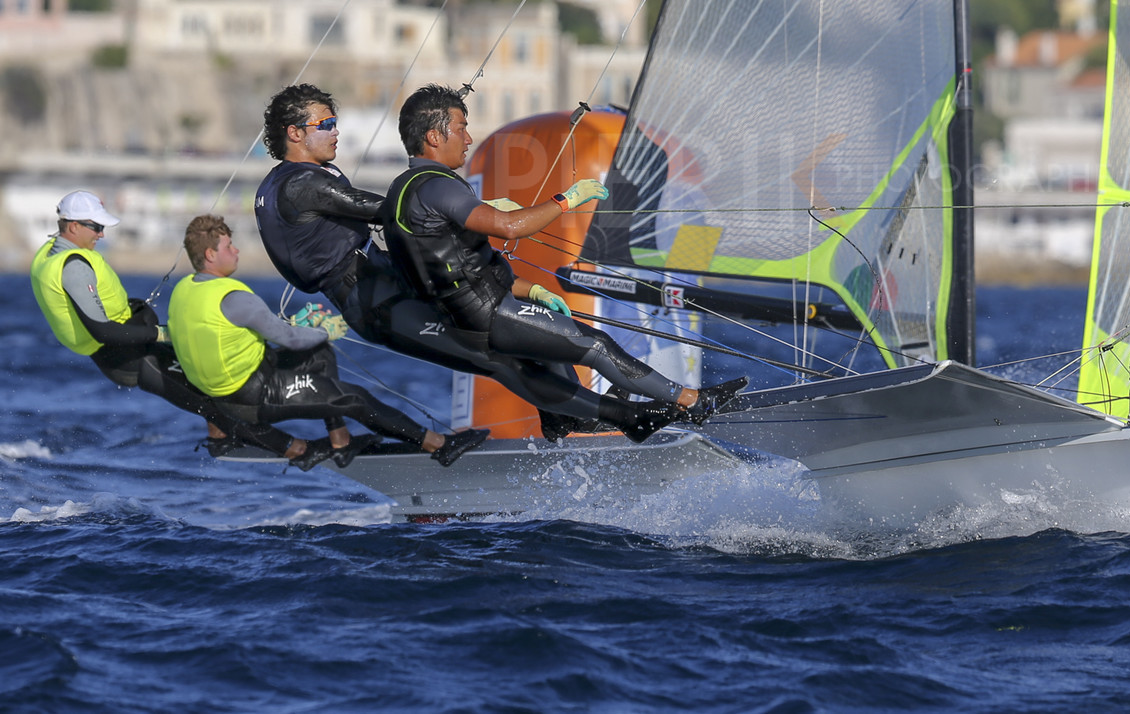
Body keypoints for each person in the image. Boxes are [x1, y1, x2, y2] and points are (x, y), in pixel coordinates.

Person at [252, 83, 671, 441]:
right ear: (294, 133)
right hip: (375, 304)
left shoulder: (283, 182)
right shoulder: (302, 183)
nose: (335, 132)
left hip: (388, 289)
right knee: (494, 356)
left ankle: (564, 415)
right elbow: (394, 209)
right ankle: (611, 417)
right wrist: (473, 209)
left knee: (511, 342)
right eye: (324, 125)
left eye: (334, 122)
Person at [382, 84, 745, 440]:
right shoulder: (438, 185)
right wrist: (567, 199)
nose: (469, 138)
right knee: (596, 346)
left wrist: (532, 289)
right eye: (461, 129)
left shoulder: (403, 188)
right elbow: (509, 227)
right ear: (433, 136)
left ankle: (560, 419)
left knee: (550, 348)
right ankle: (693, 401)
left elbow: (459, 269)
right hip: (487, 314)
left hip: (463, 317)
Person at [168, 214, 488, 468]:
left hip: (226, 391)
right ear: (211, 254)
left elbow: (213, 335)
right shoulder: (234, 297)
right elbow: (290, 339)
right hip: (252, 396)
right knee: (354, 398)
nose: (235, 250)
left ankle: (339, 440)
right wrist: (326, 330)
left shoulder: (184, 291)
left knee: (318, 353)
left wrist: (311, 336)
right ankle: (440, 445)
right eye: (228, 246)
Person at [28, 190, 315, 466]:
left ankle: (220, 435)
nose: (101, 234)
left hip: (132, 344)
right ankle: (293, 448)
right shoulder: (74, 266)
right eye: (96, 227)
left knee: (208, 372)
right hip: (128, 357)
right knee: (211, 400)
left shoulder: (49, 253)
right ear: (74, 226)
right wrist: (161, 333)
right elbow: (104, 332)